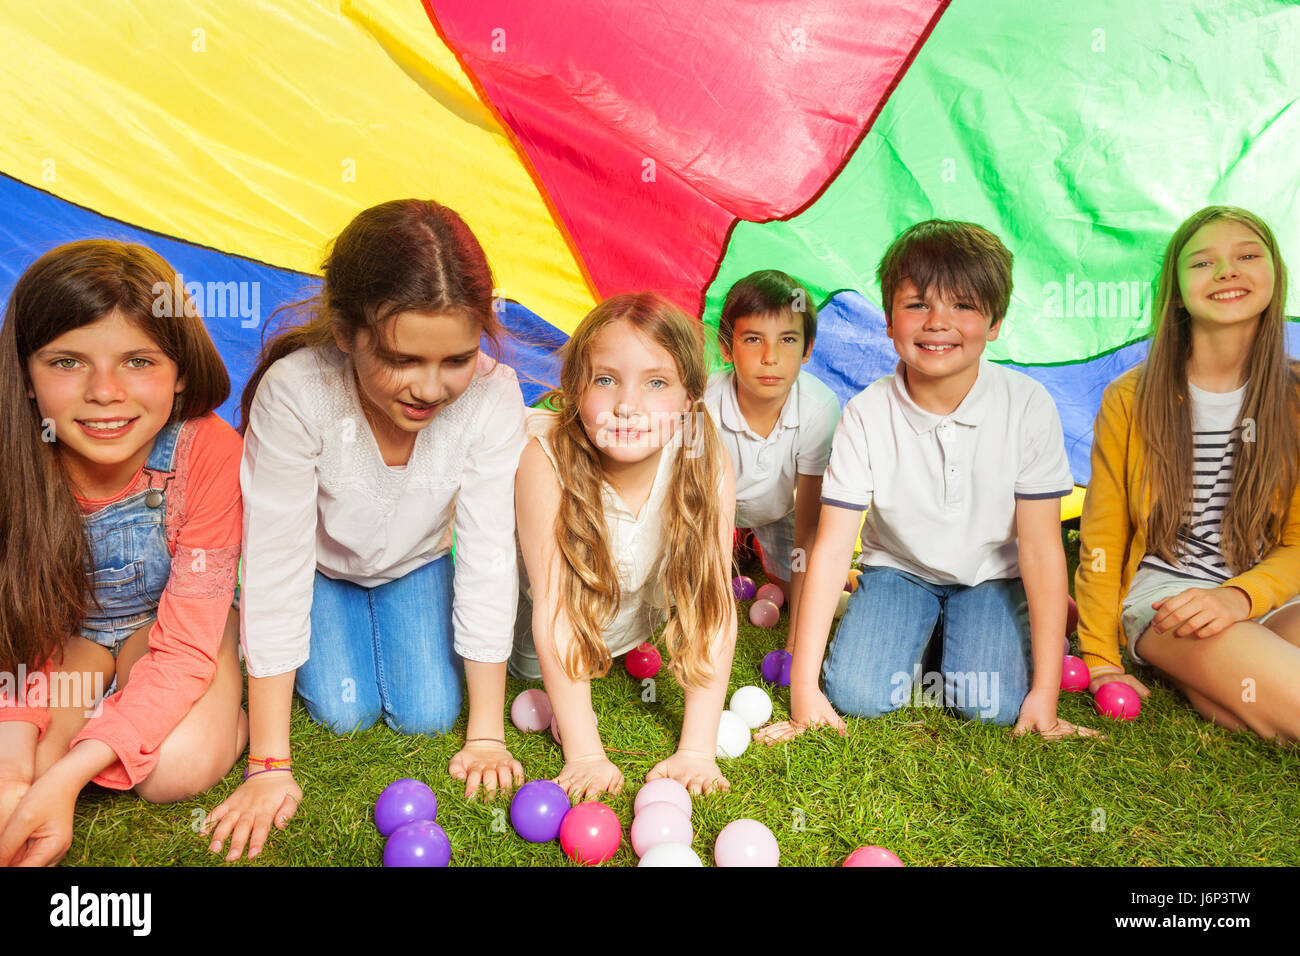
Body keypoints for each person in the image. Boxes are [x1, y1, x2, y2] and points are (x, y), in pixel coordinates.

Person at [206, 200, 527, 861]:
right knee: (346, 714)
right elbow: (274, 564)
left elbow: (490, 558)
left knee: (433, 714)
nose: (431, 388)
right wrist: (269, 764)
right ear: (349, 332)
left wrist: (488, 734)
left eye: (457, 359)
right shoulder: (298, 393)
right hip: (322, 572)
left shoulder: (495, 399)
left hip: (417, 565)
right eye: (403, 358)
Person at [760, 220, 1093, 744]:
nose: (938, 323)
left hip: (992, 578)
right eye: (917, 305)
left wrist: (1045, 696)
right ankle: (909, 625)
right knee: (857, 695)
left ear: (996, 321)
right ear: (889, 322)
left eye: (963, 305)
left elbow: (1043, 550)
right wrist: (804, 689)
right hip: (900, 572)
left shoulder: (1028, 406)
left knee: (994, 705)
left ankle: (978, 631)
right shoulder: (867, 413)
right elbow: (829, 549)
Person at [0, 240, 245, 866]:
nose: (105, 392)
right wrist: (15, 770)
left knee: (174, 770)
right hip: (63, 636)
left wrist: (66, 780)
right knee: (21, 762)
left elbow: (188, 642)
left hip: (170, 627)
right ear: (25, 377)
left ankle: (220, 721)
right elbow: (16, 626)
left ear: (182, 369)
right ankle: (107, 710)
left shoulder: (207, 452)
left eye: (138, 360)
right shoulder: (17, 456)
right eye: (66, 363)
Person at [1075, 206, 1300, 740]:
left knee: (1259, 704)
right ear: (1177, 291)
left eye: (1247, 255)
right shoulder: (1131, 397)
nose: (1226, 271)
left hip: (1267, 592)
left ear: (1275, 274)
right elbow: (1103, 538)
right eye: (1203, 262)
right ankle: (1205, 667)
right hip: (1168, 597)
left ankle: (1212, 685)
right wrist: (1101, 657)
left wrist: (1238, 598)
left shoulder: (1295, 399)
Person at [510, 292, 737, 799]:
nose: (627, 406)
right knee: (528, 669)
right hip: (543, 637)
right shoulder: (543, 461)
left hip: (632, 629)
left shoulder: (706, 460)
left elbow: (711, 601)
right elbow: (554, 609)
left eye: (656, 382)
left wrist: (697, 750)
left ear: (689, 401)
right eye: (606, 379)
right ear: (575, 390)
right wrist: (586, 753)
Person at [703, 270, 841, 648]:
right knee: (685, 589)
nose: (770, 357)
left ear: (807, 349)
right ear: (727, 349)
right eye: (753, 339)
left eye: (787, 340)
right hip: (708, 509)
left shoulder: (818, 408)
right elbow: (703, 504)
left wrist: (798, 636)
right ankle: (741, 543)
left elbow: (808, 525)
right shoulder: (706, 405)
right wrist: (714, 601)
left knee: (799, 585)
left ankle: (754, 545)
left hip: (779, 511)